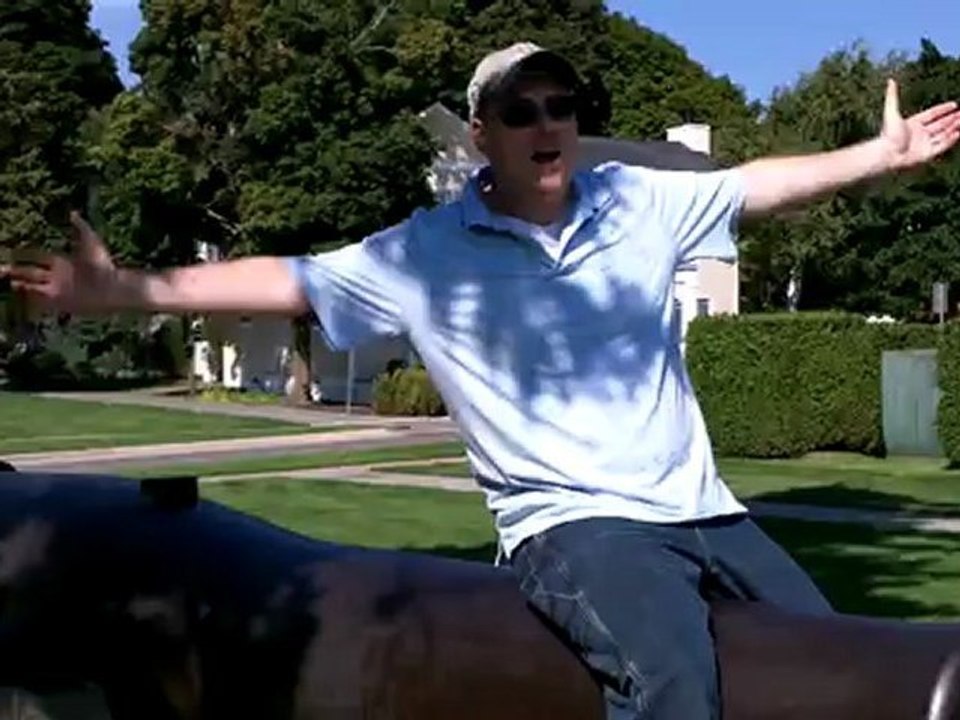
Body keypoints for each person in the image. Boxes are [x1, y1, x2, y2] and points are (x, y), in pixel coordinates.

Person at [3, 42, 959, 719]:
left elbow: (761, 182)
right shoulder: (426, 253)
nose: (548, 124)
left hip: (703, 508)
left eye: (562, 106)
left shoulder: (636, 199)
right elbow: (286, 280)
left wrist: (882, 155)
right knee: (670, 679)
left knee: (841, 666)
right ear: (481, 132)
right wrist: (129, 289)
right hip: (577, 523)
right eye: (521, 109)